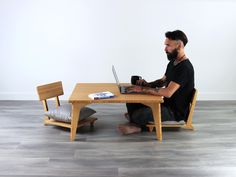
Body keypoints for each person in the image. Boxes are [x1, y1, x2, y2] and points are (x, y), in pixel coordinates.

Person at [118, 30, 195, 135]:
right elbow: (162, 81)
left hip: (173, 112)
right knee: (131, 99)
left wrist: (142, 89)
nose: (165, 49)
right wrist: (147, 84)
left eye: (168, 45)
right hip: (165, 104)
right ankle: (135, 118)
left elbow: (168, 92)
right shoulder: (173, 62)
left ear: (179, 45)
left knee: (137, 114)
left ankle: (138, 126)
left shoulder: (185, 68)